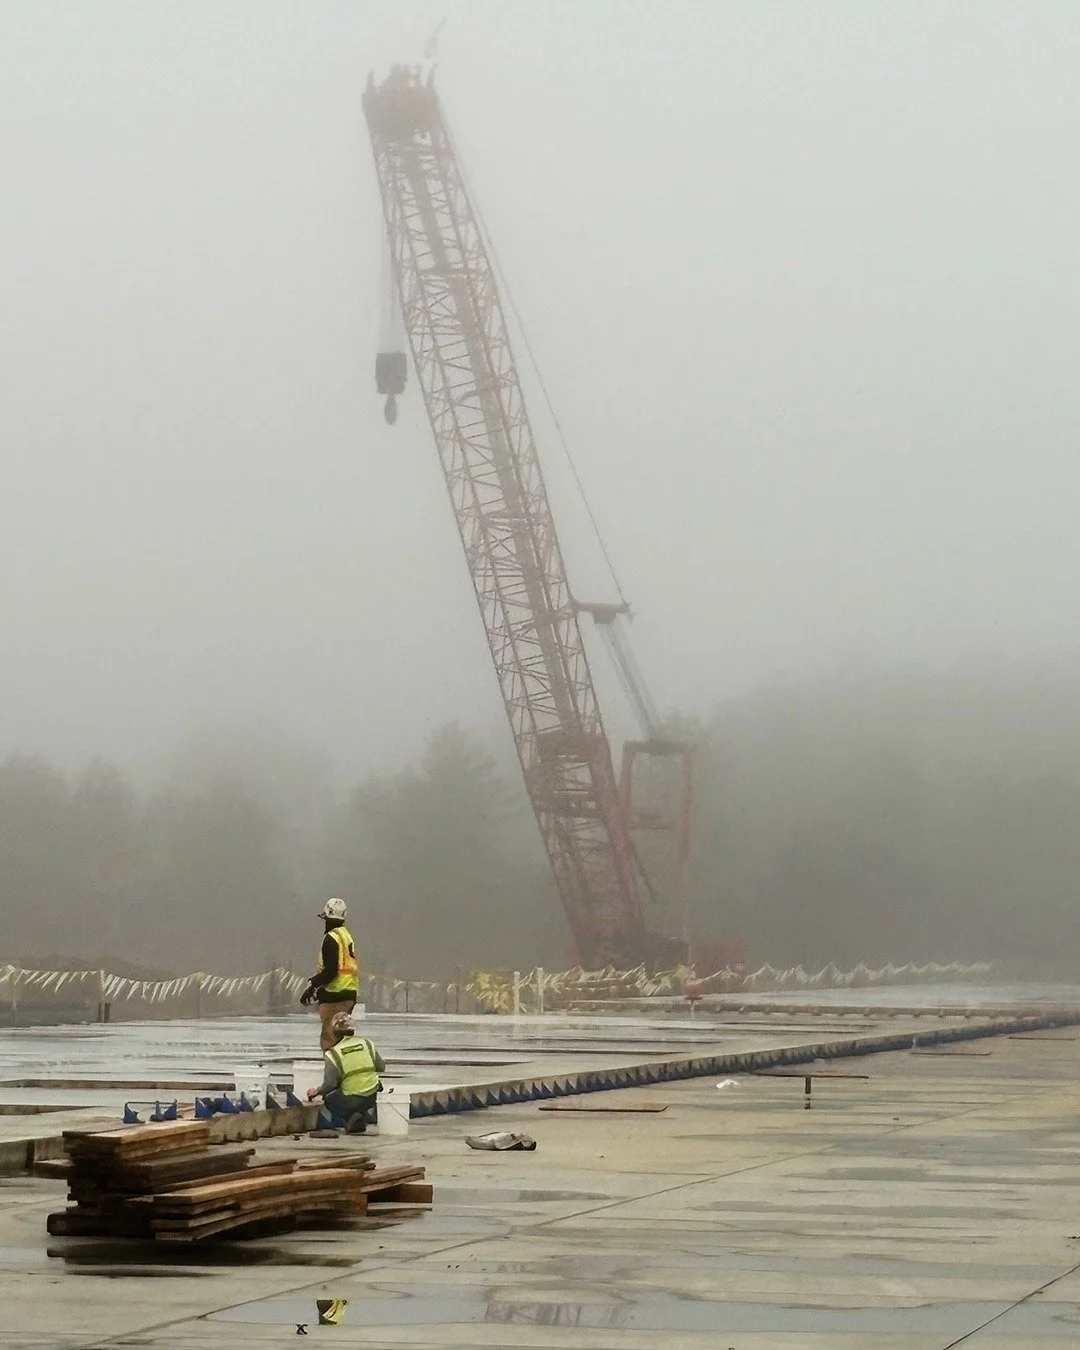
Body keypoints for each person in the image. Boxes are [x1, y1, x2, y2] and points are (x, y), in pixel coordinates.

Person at [306, 1011, 384, 1134]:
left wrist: (317, 1091)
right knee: (360, 1099)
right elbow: (381, 1067)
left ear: (334, 1032)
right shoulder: (367, 1044)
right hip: (372, 1095)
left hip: (352, 1099)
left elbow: (330, 1084)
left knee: (330, 1098)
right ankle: (362, 1115)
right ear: (353, 1030)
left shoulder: (333, 1053)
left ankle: (351, 1117)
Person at [300, 897, 359, 1050]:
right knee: (342, 1040)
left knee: (330, 1042)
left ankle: (334, 1073)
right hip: (349, 994)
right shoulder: (345, 935)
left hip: (335, 995)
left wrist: (313, 984)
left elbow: (331, 971)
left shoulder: (331, 939)